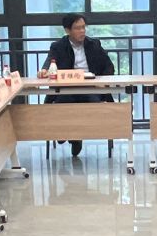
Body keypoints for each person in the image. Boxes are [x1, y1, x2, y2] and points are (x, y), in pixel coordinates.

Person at [44, 12, 113, 159]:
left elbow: (109, 66)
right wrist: (44, 70)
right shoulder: (58, 46)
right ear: (67, 30)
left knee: (92, 106)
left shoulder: (94, 44)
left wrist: (103, 81)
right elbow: (50, 62)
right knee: (62, 104)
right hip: (67, 88)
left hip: (91, 87)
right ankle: (70, 135)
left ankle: (72, 135)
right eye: (77, 28)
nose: (82, 31)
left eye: (83, 27)